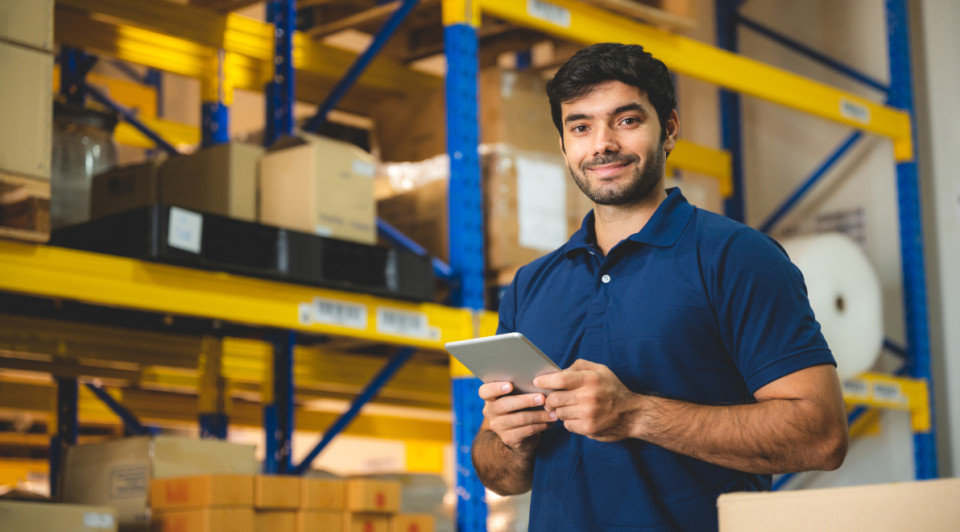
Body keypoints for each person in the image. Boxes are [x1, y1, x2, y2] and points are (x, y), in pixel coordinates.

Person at [471, 43, 849, 532]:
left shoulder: (734, 256)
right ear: (564, 146)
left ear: (669, 130)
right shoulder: (531, 284)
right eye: (580, 126)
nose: (602, 143)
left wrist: (634, 415)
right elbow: (499, 475)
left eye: (626, 121)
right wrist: (509, 440)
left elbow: (822, 436)